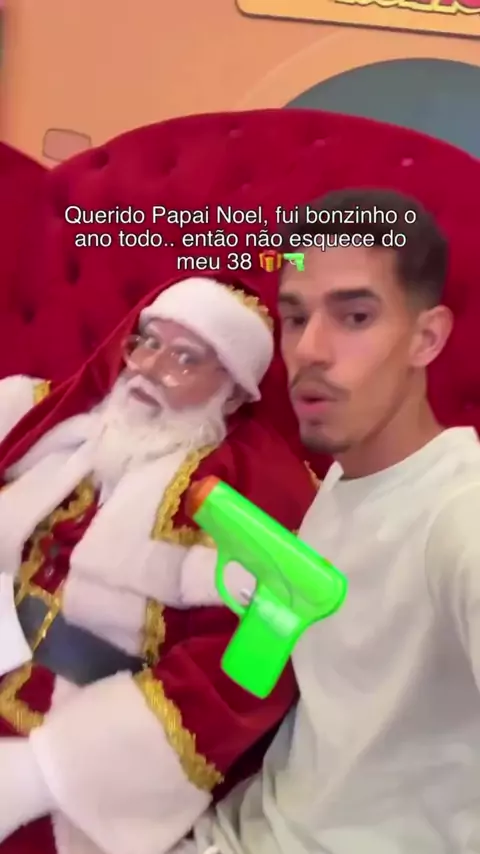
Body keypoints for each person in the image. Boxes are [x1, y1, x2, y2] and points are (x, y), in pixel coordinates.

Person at [188, 188, 480, 854]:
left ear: (427, 337)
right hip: (234, 828)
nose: (310, 349)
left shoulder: (461, 517)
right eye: (295, 317)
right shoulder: (347, 475)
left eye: (354, 316)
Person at [0, 275, 318, 854]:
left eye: (185, 358)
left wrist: (40, 773)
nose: (148, 367)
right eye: (147, 342)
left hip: (84, 749)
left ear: (232, 395)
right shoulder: (79, 435)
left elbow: (235, 683)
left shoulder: (250, 495)